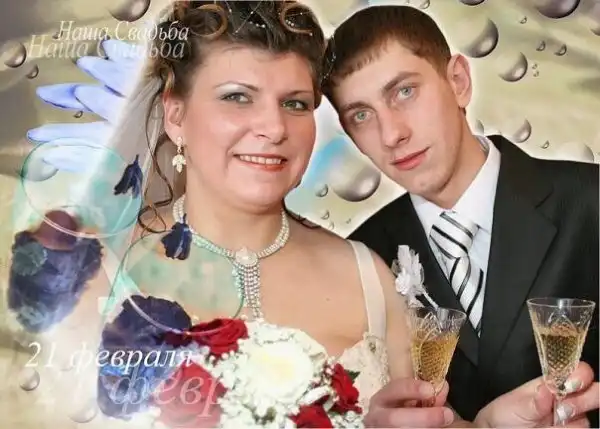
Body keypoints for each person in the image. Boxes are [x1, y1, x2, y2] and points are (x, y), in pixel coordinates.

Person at [19, 2, 596, 428]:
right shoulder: (92, 275)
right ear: (174, 116)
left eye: (294, 104)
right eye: (237, 97)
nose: (273, 127)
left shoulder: (372, 274)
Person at [321, 4, 599, 427]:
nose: (392, 133)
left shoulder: (590, 200)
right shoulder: (361, 257)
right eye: (361, 115)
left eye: (405, 92)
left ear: (459, 82)